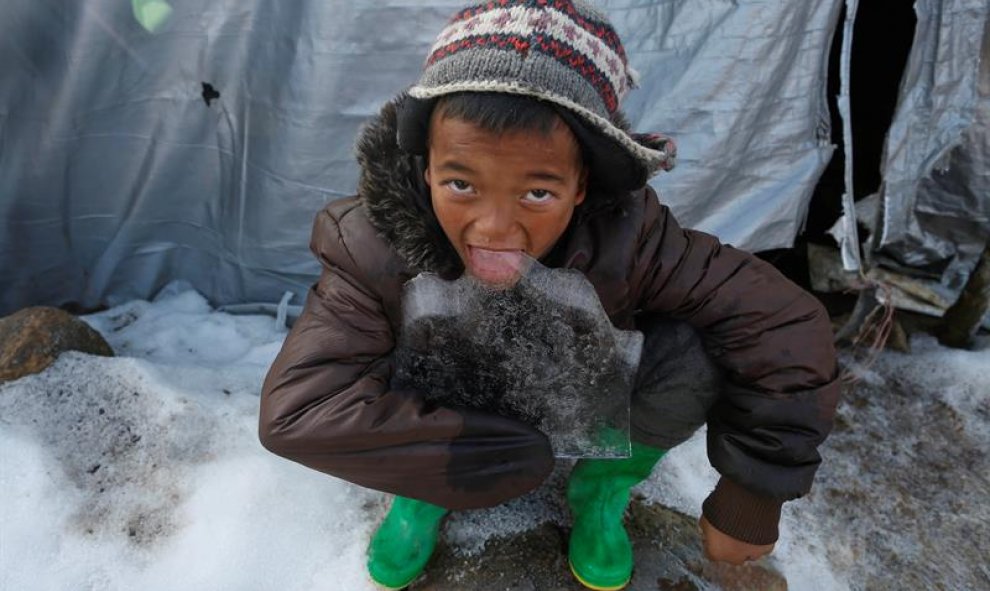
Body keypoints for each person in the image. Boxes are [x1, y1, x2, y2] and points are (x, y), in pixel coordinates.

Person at [258, 1, 840, 589]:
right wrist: (476, 455)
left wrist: (754, 490)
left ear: (582, 185)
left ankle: (601, 488)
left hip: (567, 384)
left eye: (537, 193)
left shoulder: (631, 238)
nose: (493, 229)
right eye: (461, 184)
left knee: (698, 342)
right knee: (388, 337)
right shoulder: (372, 243)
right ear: (426, 166)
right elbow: (300, 410)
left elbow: (781, 321)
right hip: (446, 404)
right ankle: (421, 495)